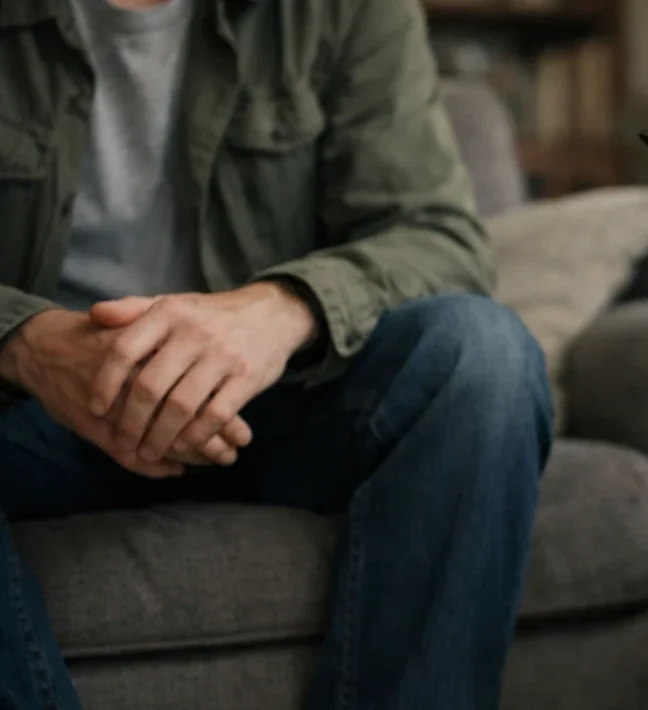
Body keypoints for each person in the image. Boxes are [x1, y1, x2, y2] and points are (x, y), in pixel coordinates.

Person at [0, 0, 553, 708]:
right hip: (35, 419)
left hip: (278, 408)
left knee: (484, 360)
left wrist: (283, 307)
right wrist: (28, 345)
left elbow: (439, 237)